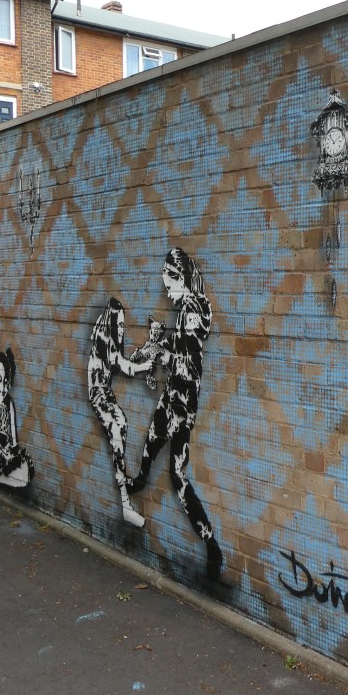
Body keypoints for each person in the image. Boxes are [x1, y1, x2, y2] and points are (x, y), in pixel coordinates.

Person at [130, 248, 223, 580]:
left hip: (182, 403)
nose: (165, 291)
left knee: (177, 475)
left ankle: (211, 544)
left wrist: (162, 356)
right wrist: (158, 345)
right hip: (173, 396)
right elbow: (181, 347)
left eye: (168, 284)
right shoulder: (186, 309)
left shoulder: (192, 311)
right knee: (151, 444)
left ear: (181, 279)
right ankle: (139, 480)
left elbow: (191, 366)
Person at [88, 298, 154, 528]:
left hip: (104, 391)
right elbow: (122, 365)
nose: (122, 329)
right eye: (120, 325)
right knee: (117, 429)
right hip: (98, 393)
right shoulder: (103, 338)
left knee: (121, 425)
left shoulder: (105, 335)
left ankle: (121, 479)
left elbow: (120, 363)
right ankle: (125, 502)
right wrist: (143, 367)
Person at [0, 345, 34, 489]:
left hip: (9, 453)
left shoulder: (9, 403)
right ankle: (4, 476)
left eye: (5, 381)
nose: (3, 385)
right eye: (0, 380)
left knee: (24, 468)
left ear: (9, 381)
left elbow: (14, 437)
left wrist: (12, 451)